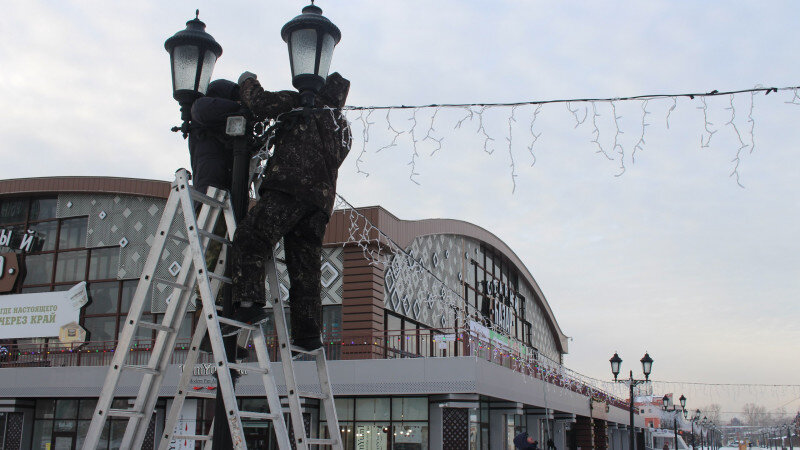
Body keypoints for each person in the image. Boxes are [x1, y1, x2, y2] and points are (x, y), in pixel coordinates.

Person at [224, 70, 351, 351]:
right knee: (305, 268)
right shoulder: (342, 128)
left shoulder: (301, 102)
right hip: (320, 204)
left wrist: (247, 82)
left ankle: (248, 303)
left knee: (251, 236)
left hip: (289, 187)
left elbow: (261, 103)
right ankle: (308, 334)